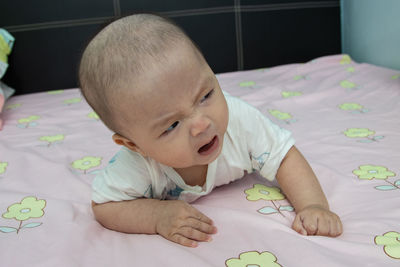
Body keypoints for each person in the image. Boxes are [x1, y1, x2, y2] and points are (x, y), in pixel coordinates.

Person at [79, 13, 342, 248]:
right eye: (172, 125)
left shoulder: (239, 122)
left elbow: (284, 156)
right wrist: (156, 216)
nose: (202, 124)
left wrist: (313, 205)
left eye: (205, 95)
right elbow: (104, 206)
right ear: (134, 145)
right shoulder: (136, 166)